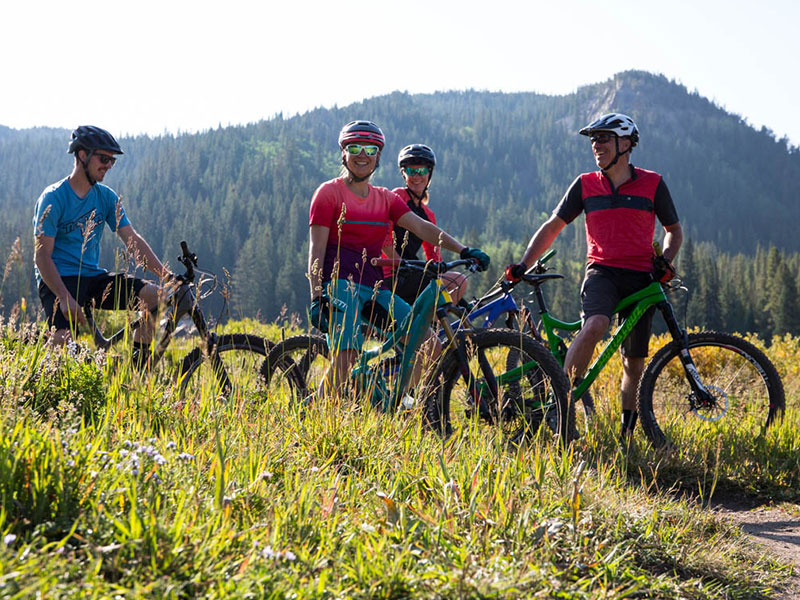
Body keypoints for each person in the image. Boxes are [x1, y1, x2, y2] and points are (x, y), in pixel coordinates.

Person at [505, 113, 683, 443]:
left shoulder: (653, 183)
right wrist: (523, 264)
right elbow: (552, 227)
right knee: (595, 324)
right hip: (602, 272)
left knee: (634, 363)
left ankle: (626, 436)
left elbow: (674, 231)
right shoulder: (585, 184)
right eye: (593, 140)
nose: (595, 145)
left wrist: (666, 261)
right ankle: (562, 407)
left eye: (603, 138)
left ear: (626, 144)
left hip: (642, 277)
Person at [308, 120, 489, 401]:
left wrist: (463, 250)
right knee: (347, 355)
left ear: (378, 156)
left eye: (370, 149)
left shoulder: (384, 199)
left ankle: (394, 405)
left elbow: (423, 228)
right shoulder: (328, 193)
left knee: (429, 346)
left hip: (377, 289)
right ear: (343, 153)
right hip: (341, 285)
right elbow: (316, 251)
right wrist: (316, 297)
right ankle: (316, 415)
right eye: (354, 147)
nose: (362, 155)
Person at [33, 126, 169, 366]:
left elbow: (132, 240)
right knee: (63, 342)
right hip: (59, 280)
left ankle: (136, 370)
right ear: (82, 155)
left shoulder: (106, 197)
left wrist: (166, 276)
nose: (108, 165)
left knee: (154, 296)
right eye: (103, 158)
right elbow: (42, 256)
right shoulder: (53, 197)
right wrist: (64, 297)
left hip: (93, 278)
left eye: (112, 161)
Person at [382, 144, 469, 306]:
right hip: (389, 274)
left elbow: (433, 253)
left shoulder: (428, 214)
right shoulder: (396, 197)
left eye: (421, 171)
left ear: (429, 174)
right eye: (410, 171)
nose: (416, 176)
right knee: (458, 280)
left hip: (410, 272)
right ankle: (428, 328)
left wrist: (439, 273)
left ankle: (429, 327)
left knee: (454, 292)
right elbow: (383, 237)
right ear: (403, 174)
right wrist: (398, 263)